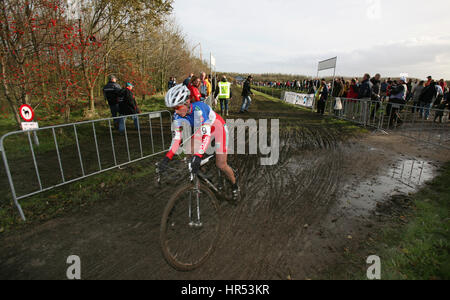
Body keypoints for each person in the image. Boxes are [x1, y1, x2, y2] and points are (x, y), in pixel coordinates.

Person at [158, 84, 240, 201]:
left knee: (221, 164)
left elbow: (206, 135)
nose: (175, 111)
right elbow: (177, 139)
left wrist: (198, 155)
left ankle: (235, 186)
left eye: (177, 107)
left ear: (187, 102)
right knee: (189, 151)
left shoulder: (199, 109)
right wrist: (167, 158)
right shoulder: (177, 116)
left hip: (218, 129)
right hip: (201, 130)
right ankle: (203, 174)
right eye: (173, 108)